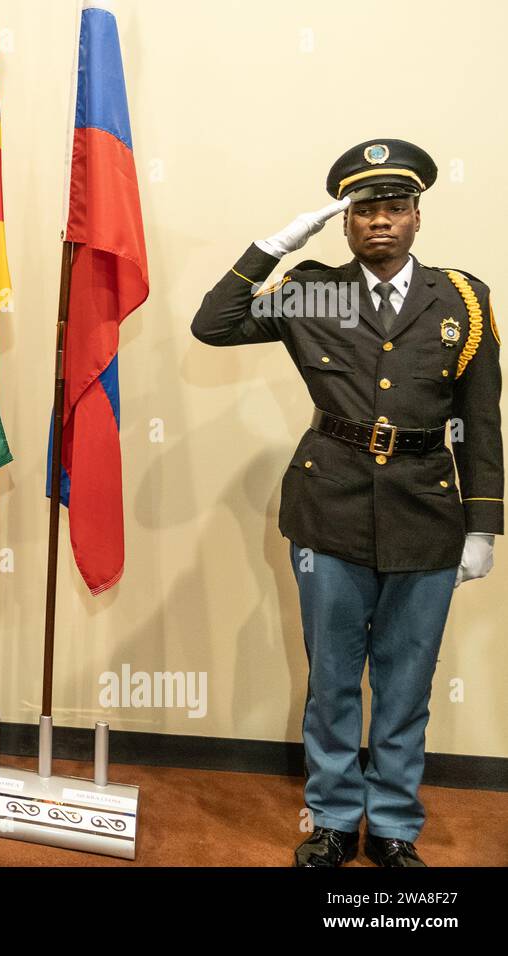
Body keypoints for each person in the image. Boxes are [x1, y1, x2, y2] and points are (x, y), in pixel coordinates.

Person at [191, 140, 502, 867]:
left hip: (429, 510)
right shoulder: (315, 289)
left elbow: (481, 419)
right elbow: (213, 325)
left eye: (396, 207)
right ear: (345, 223)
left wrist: (482, 526)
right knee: (332, 678)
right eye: (365, 210)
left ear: (418, 216)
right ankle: (331, 820)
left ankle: (392, 827)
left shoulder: (463, 299)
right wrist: (270, 248)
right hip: (328, 507)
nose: (381, 222)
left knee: (407, 680)